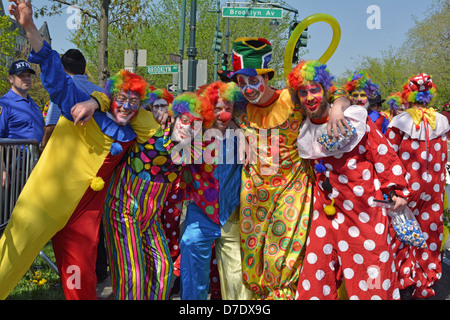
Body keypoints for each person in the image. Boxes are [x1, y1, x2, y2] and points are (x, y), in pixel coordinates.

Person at [0, 0, 159, 300]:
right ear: (114, 95)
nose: (126, 106)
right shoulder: (77, 101)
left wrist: (101, 99)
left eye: (133, 102)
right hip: (45, 200)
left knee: (80, 283)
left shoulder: (130, 129)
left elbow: (155, 129)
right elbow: (52, 70)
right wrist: (30, 26)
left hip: (82, 217)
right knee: (8, 261)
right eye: (121, 99)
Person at [227, 37, 350, 299]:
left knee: (281, 256)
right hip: (254, 192)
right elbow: (208, 111)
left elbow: (332, 91)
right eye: (242, 83)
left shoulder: (293, 100)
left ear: (267, 77)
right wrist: (239, 137)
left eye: (253, 80)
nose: (248, 88)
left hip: (292, 187)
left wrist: (339, 108)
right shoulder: (240, 109)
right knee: (254, 257)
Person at [286, 60, 410, 300]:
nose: (309, 97)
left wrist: (396, 190)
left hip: (364, 212)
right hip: (326, 213)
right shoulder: (304, 129)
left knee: (371, 276)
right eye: (303, 92)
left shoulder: (353, 118)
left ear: (325, 91)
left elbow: (381, 152)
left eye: (314, 90)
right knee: (316, 274)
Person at [102, 87, 180, 300]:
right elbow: (115, 102)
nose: (162, 111)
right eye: (156, 106)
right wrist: (92, 102)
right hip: (123, 207)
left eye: (166, 107)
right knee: (132, 275)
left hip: (151, 215)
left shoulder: (191, 135)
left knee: (163, 269)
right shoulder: (146, 121)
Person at [179, 80, 253, 300]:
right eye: (217, 108)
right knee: (190, 246)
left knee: (238, 277)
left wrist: (242, 136)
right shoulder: (193, 135)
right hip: (200, 212)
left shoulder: (241, 135)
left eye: (228, 109)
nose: (223, 114)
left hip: (232, 214)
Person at [386, 73, 450, 299]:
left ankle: (404, 278)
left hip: (406, 190)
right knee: (429, 232)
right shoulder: (442, 121)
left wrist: (391, 188)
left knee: (402, 231)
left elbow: (387, 156)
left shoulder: (400, 121)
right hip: (433, 190)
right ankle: (426, 281)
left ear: (408, 95)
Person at [40, 49, 102, 149]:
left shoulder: (62, 90)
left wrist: (43, 148)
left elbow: (52, 125)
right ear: (84, 68)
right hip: (96, 151)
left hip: (70, 152)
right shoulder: (102, 93)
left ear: (62, 67)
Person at [0, 59, 44, 144]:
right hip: (14, 156)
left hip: (38, 156)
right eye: (21, 76)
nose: (26, 78)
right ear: (11, 79)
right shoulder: (4, 104)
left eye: (28, 75)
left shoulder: (35, 106)